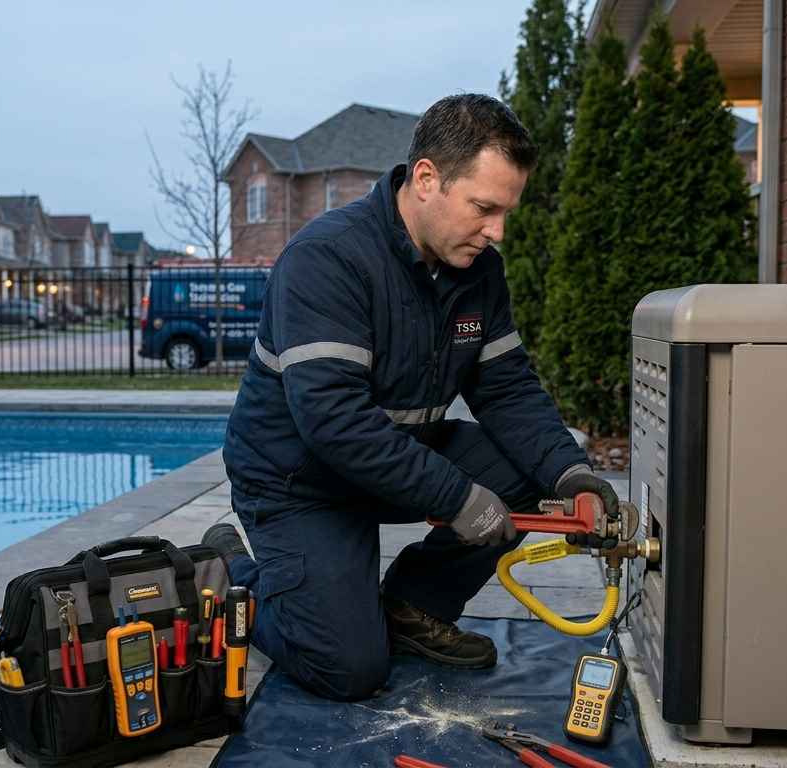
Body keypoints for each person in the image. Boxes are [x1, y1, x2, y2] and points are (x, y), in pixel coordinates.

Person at [203, 94, 619, 702]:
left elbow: (507, 389)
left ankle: (410, 607)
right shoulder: (327, 259)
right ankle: (228, 572)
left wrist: (572, 476)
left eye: (505, 211)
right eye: (484, 208)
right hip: (299, 482)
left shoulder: (478, 271)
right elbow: (335, 422)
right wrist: (455, 497)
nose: (497, 230)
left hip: (394, 458)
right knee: (348, 669)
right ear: (426, 179)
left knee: (524, 468)